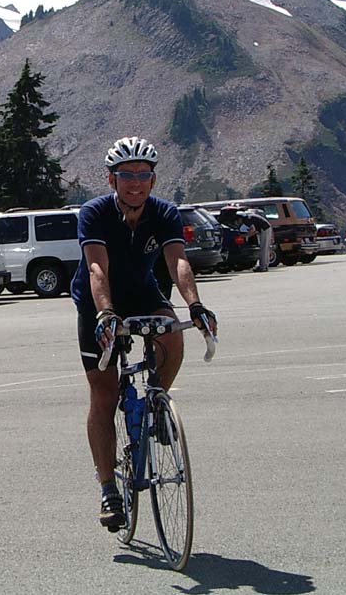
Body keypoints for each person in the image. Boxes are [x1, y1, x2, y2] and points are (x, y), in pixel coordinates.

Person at [69, 136, 218, 532]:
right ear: (112, 179)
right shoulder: (95, 213)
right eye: (126, 175)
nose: (135, 183)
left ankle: (157, 400)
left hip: (142, 293)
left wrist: (196, 306)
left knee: (172, 336)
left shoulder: (164, 212)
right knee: (104, 393)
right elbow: (96, 268)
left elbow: (178, 262)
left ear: (153, 179)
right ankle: (108, 488)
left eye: (143, 175)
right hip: (98, 301)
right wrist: (106, 314)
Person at [218, 206, 273, 272]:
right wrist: (247, 235)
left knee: (264, 248)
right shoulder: (247, 217)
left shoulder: (246, 219)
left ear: (239, 219)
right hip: (264, 228)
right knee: (264, 248)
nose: (238, 223)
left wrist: (243, 235)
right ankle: (263, 265)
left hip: (265, 228)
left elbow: (252, 229)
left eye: (237, 222)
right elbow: (254, 231)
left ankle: (263, 267)